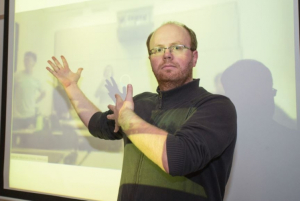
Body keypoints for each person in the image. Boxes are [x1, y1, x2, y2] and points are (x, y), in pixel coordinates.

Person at [46, 21, 237, 201]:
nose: (167, 54)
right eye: (158, 49)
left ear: (194, 57)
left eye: (177, 47)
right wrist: (71, 86)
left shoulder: (216, 107)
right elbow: (97, 125)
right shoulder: (140, 103)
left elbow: (179, 159)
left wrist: (128, 119)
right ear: (150, 60)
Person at [13, 51, 46, 130]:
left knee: (27, 140)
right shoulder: (16, 75)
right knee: (13, 139)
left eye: (28, 60)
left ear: (34, 63)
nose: (26, 62)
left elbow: (44, 93)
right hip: (16, 115)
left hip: (30, 116)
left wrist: (34, 102)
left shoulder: (37, 78)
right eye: (25, 60)